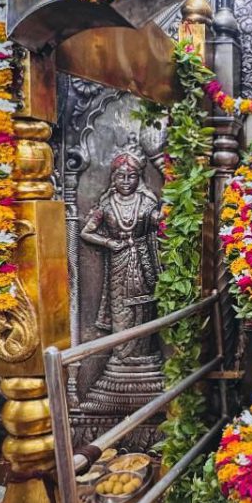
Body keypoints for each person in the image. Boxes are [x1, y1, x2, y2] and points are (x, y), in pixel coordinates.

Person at [79, 150, 163, 411]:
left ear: (139, 178)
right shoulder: (106, 206)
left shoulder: (146, 202)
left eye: (132, 176)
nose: (126, 181)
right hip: (118, 264)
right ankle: (122, 359)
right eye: (121, 176)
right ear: (113, 178)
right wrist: (109, 242)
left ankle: (142, 359)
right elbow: (86, 232)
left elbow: (158, 222)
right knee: (121, 309)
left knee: (144, 307)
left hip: (143, 263)